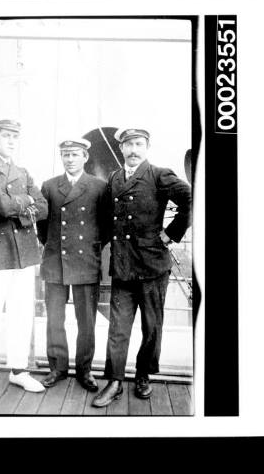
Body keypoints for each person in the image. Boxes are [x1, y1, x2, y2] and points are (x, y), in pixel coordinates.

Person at [92, 128, 192, 407]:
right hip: (123, 267)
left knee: (151, 327)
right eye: (128, 144)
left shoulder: (160, 174)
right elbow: (104, 220)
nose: (133, 149)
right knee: (118, 328)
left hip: (152, 267)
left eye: (139, 144)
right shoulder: (113, 178)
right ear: (121, 148)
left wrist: (171, 233)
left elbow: (193, 199)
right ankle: (114, 381)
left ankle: (143, 375)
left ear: (147, 147)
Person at [0, 119, 48, 396]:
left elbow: (43, 208)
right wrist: (23, 202)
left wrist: (19, 205)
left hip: (24, 251)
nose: (11, 141)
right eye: (6, 136)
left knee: (22, 312)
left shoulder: (23, 171)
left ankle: (18, 370)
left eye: (15, 137)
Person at [37, 138, 107, 392]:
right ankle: (57, 368)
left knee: (86, 321)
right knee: (54, 319)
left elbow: (106, 227)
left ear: (85, 157)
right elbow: (42, 227)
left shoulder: (99, 187)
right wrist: (54, 245)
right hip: (55, 261)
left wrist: (89, 247)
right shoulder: (50, 186)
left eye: (75, 154)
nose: (70, 159)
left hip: (85, 262)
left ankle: (85, 371)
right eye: (65, 154)